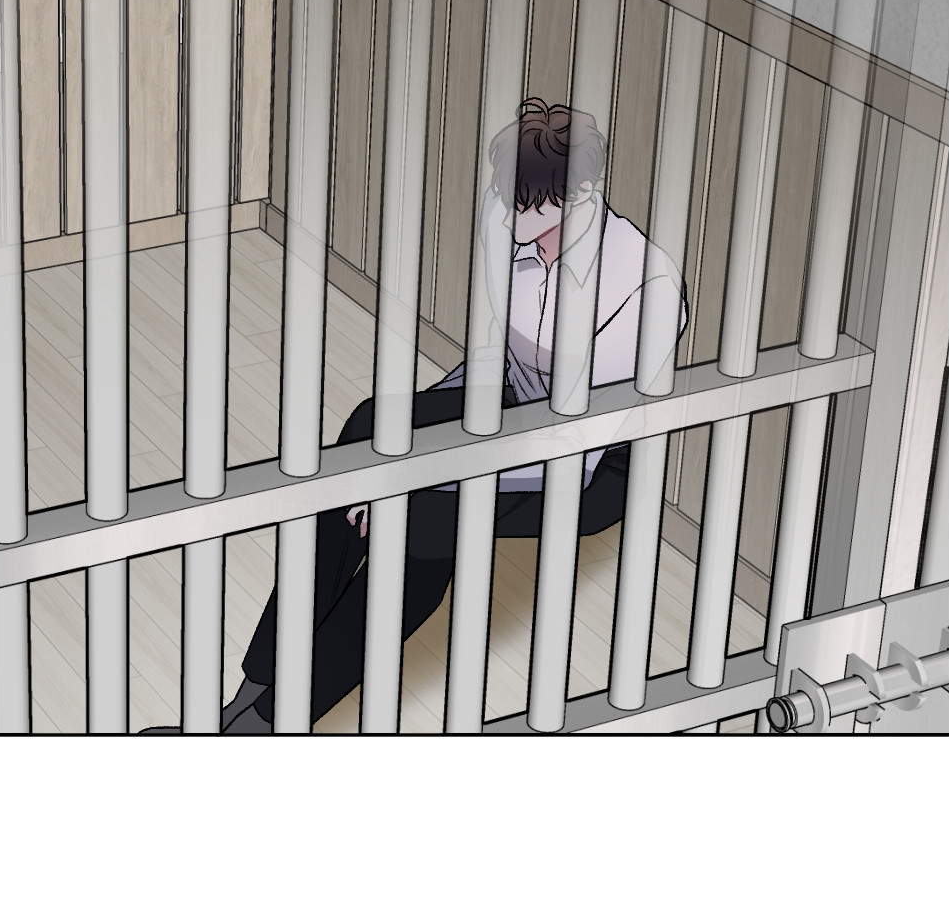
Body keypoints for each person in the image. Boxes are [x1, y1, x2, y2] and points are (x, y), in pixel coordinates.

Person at [211, 97, 688, 732]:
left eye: (528, 202)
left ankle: (270, 722)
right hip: (508, 400)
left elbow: (576, 458)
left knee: (421, 522)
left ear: (581, 195)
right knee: (365, 433)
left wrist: (425, 478)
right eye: (507, 196)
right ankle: (255, 683)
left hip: (585, 462)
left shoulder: (644, 287)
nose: (509, 212)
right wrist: (401, 450)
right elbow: (488, 355)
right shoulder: (505, 216)